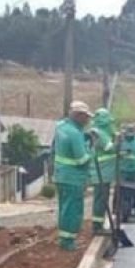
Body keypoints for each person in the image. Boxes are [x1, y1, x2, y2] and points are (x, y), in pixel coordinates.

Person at [52, 101, 93, 251]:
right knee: (73, 210)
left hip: (61, 175)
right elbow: (82, 160)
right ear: (78, 116)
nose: (87, 120)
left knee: (64, 208)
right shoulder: (75, 134)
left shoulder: (61, 127)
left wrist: (84, 136)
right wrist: (91, 149)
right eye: (85, 117)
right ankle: (68, 241)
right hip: (73, 178)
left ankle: (64, 237)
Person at [89, 108, 118, 235]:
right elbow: (110, 148)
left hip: (105, 172)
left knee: (103, 199)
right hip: (101, 171)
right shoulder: (98, 132)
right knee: (100, 200)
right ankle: (97, 226)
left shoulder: (104, 132)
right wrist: (118, 140)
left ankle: (99, 224)